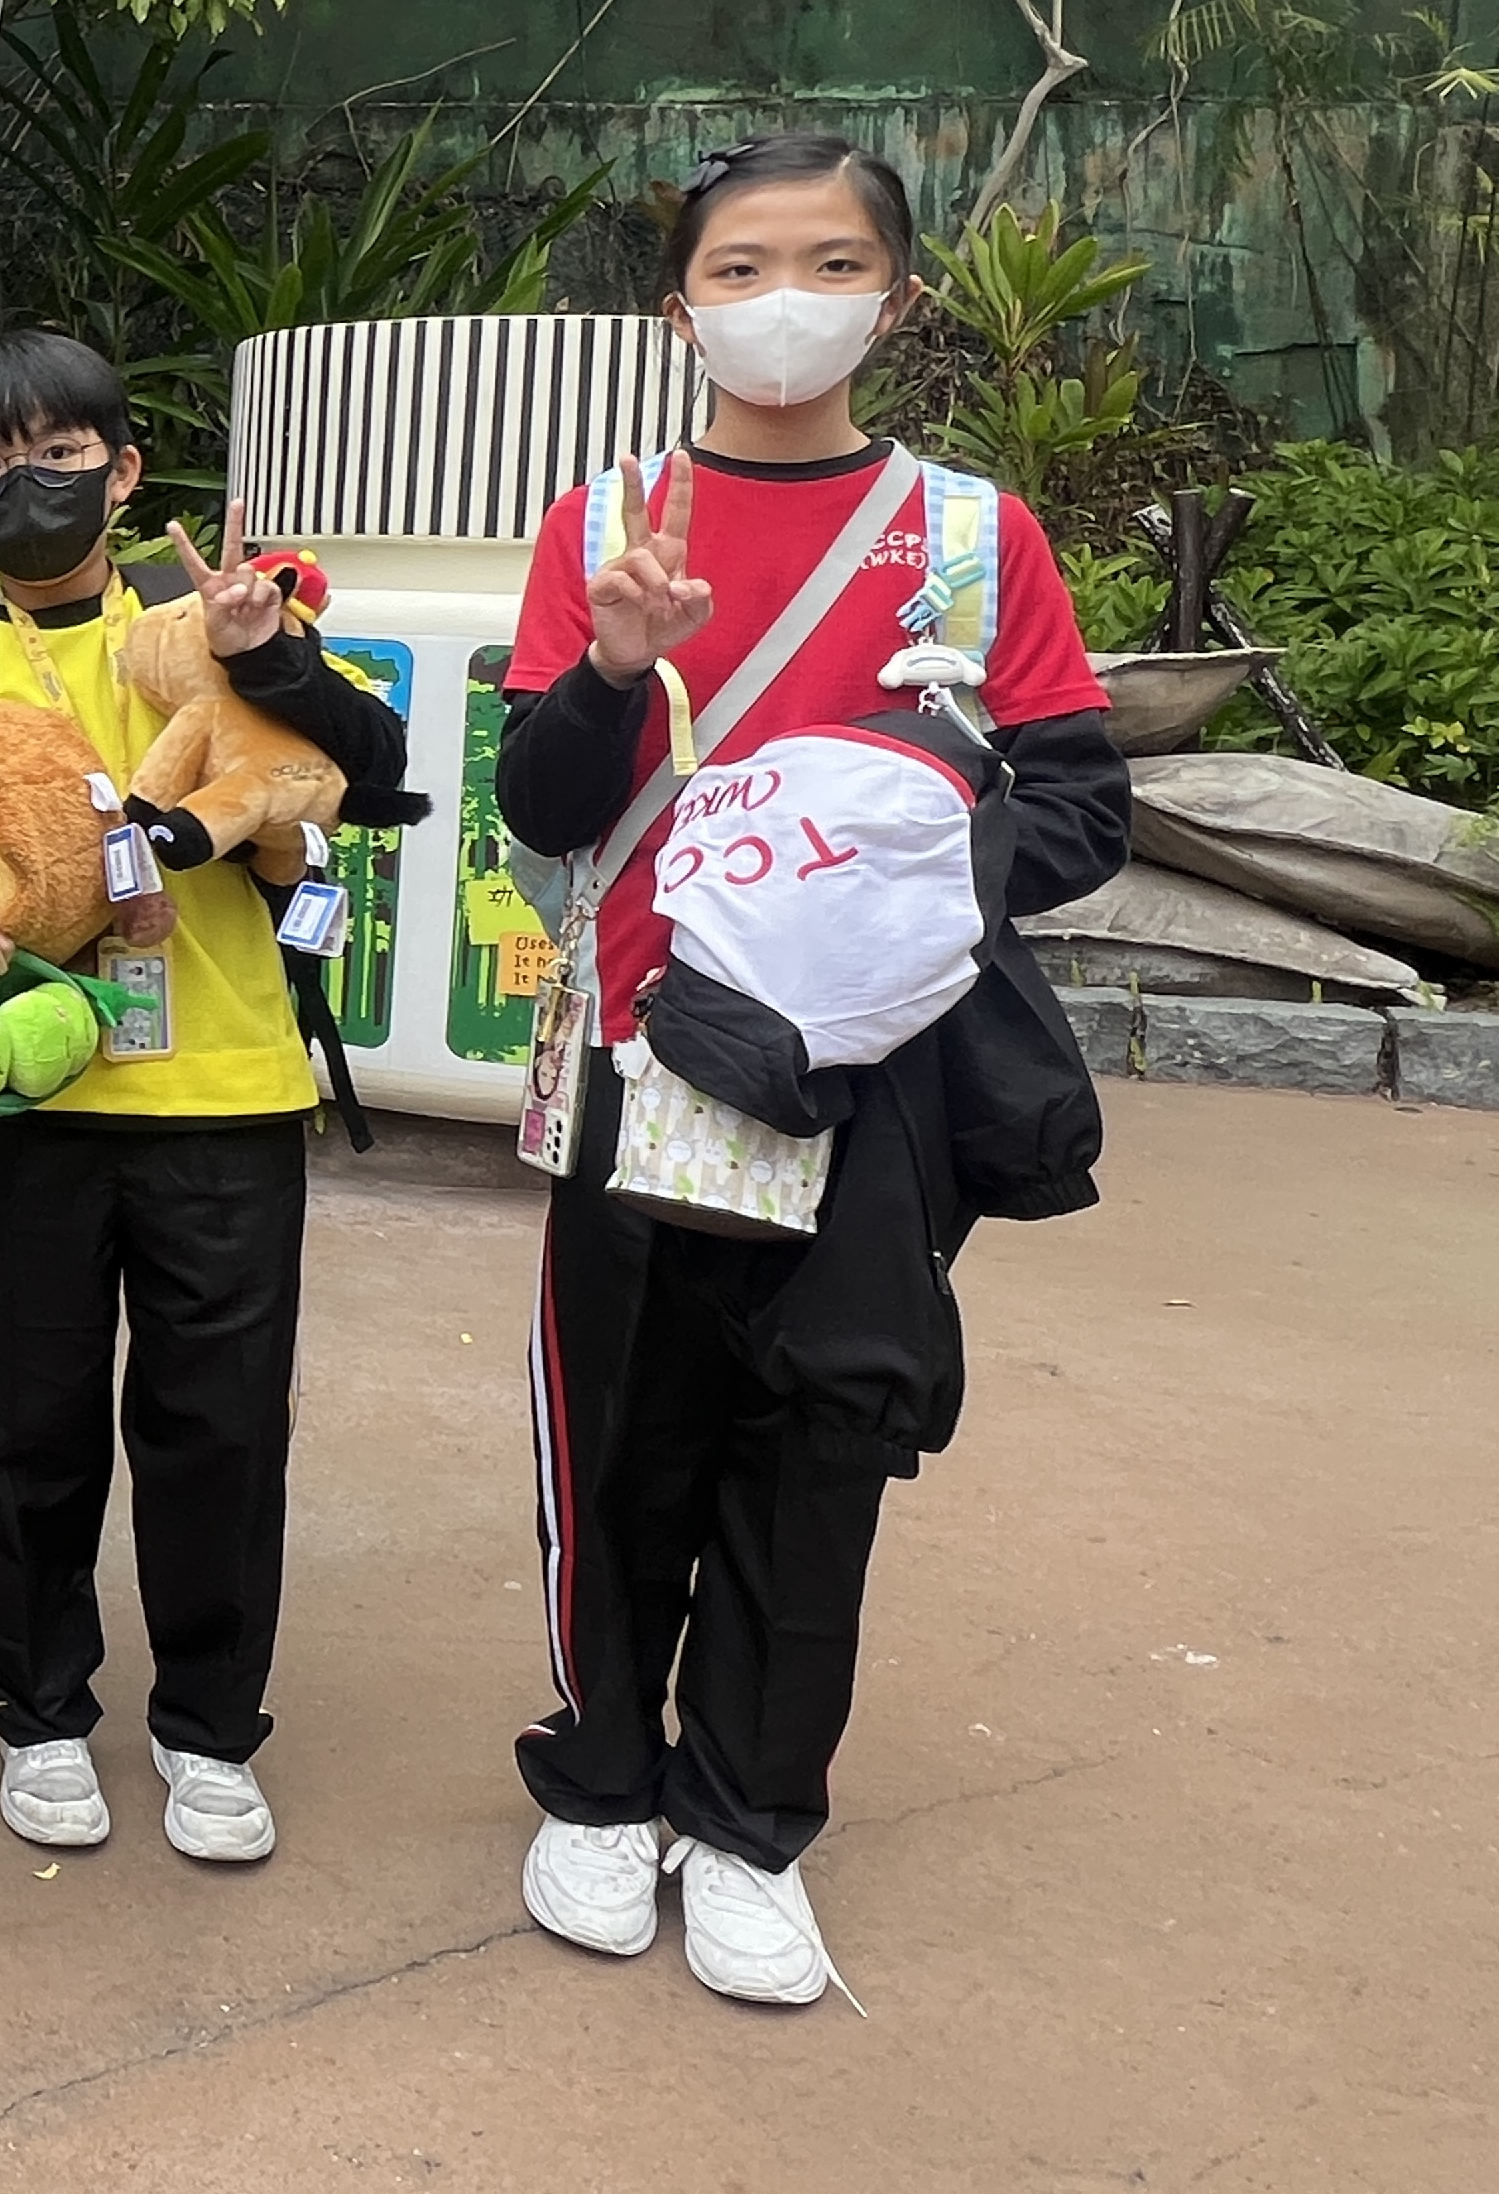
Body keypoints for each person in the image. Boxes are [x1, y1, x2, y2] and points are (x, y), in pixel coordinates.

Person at [497, 131, 1129, 2008]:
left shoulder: (973, 538)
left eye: (833, 265)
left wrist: (884, 861)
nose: (788, 301)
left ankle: (752, 1821)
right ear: (680, 308)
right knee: (624, 1433)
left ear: (899, 298)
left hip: (878, 1086)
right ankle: (602, 1785)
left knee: (822, 1445)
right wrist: (614, 672)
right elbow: (540, 807)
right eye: (743, 268)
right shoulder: (605, 523)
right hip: (647, 1053)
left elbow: (1080, 807)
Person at [0, 331, 416, 1865]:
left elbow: (375, 767)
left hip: (224, 1102)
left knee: (221, 1433)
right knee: (20, 1431)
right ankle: (40, 1711)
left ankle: (208, 1727)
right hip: (21, 1113)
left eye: (61, 456)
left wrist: (271, 657)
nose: (28, 488)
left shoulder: (211, 624)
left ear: (125, 470)